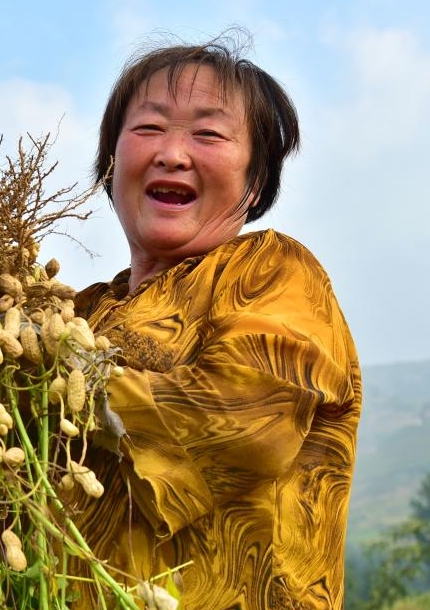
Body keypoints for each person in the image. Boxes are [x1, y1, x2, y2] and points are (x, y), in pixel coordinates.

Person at [66, 33, 362, 610]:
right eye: (149, 128)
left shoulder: (272, 273)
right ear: (110, 164)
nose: (172, 154)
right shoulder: (79, 313)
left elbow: (246, 422)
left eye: (208, 134)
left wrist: (66, 382)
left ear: (255, 183)